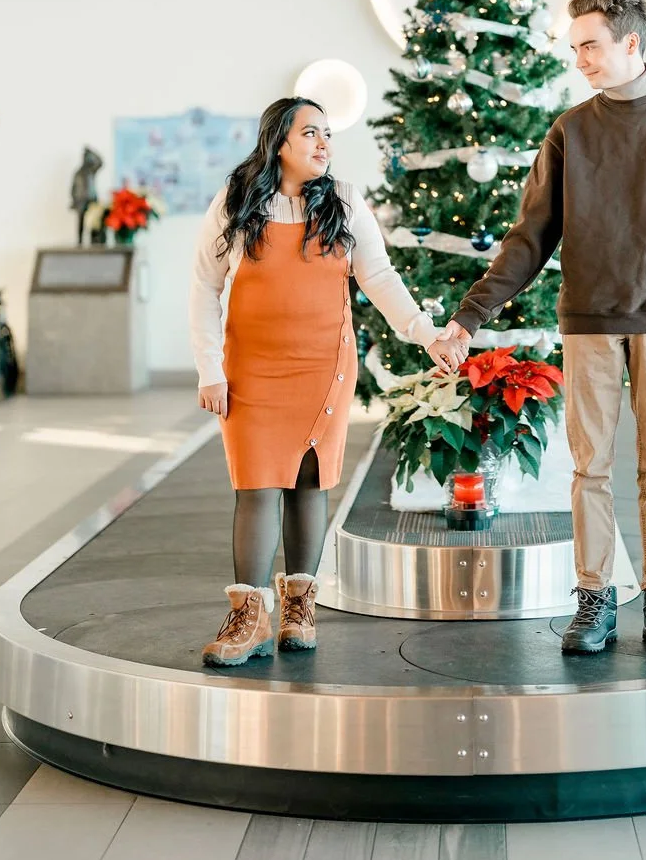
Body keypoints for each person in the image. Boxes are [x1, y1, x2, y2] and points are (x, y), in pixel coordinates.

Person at [433, 0, 646, 656]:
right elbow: (529, 237)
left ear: (631, 43)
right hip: (588, 324)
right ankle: (594, 600)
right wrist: (469, 317)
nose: (580, 60)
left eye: (591, 46)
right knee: (588, 469)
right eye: (575, 48)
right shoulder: (571, 130)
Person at [190, 96, 458, 668]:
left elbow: (379, 276)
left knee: (309, 481)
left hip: (323, 365)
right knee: (256, 484)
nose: (323, 144)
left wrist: (425, 333)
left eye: (327, 134)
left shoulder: (342, 202)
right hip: (251, 367)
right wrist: (210, 368)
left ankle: (298, 608)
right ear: (278, 141)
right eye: (310, 132)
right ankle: (248, 617)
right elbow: (203, 289)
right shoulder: (236, 202)